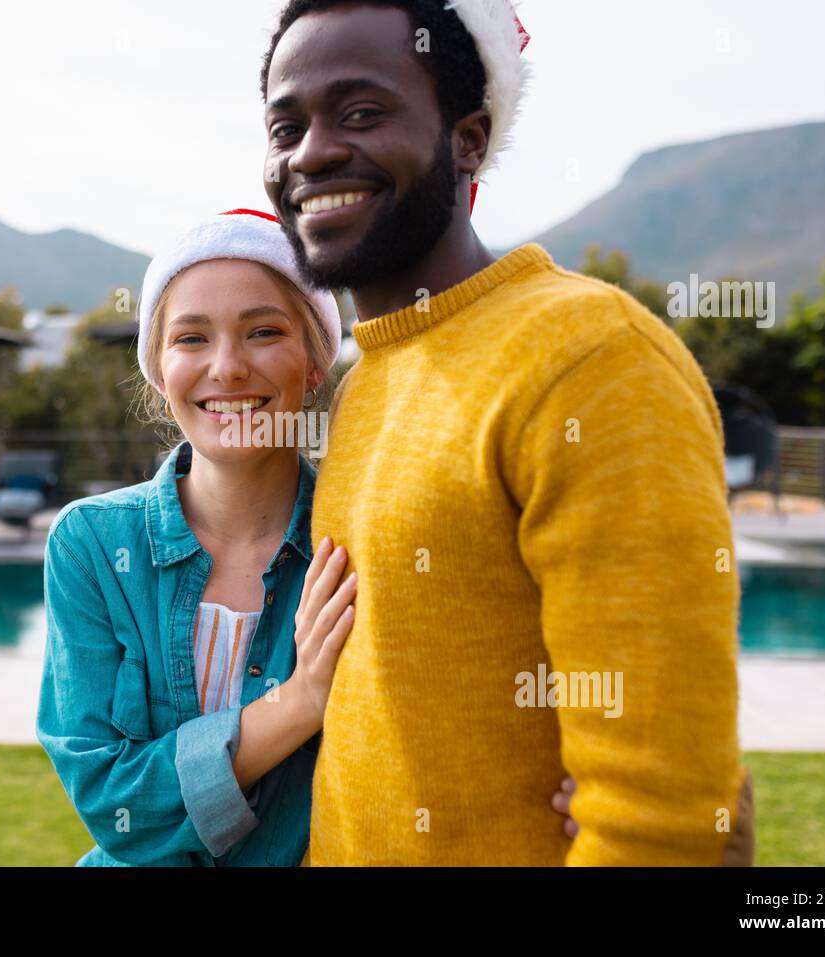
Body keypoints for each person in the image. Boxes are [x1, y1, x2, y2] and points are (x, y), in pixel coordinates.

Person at [258, 0, 753, 864]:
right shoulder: (358, 387)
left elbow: (658, 815)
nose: (313, 152)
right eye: (285, 125)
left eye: (362, 112)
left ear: (469, 139)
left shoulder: (590, 358)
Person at [35, 209, 582, 865]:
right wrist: (301, 701)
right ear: (158, 368)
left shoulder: (369, 534)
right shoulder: (90, 545)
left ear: (315, 361)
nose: (228, 367)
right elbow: (115, 806)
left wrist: (571, 766)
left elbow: (473, 687)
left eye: (263, 331)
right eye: (191, 338)